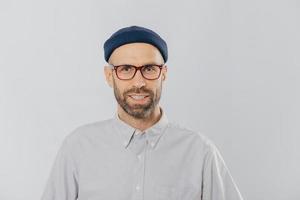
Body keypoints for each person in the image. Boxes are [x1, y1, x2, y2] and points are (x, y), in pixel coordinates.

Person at [41, 25, 243, 200]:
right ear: (109, 76)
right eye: (126, 69)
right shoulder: (78, 148)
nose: (138, 83)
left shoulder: (200, 153)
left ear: (163, 74)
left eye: (149, 69)